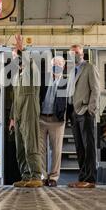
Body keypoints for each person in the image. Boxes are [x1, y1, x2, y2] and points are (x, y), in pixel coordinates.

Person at [10, 35, 43, 188]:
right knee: (20, 147)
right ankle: (26, 176)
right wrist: (12, 118)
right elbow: (14, 99)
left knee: (31, 144)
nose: (14, 59)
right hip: (18, 113)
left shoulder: (33, 72)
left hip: (29, 112)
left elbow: (28, 63)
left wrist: (20, 49)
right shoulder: (16, 76)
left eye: (16, 56)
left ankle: (36, 176)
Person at [67, 45, 100, 189]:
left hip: (85, 112)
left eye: (76, 52)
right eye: (71, 53)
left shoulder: (89, 67)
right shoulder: (72, 71)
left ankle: (90, 179)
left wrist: (90, 110)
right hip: (74, 113)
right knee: (79, 148)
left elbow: (96, 89)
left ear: (82, 54)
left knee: (88, 147)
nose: (73, 55)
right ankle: (82, 178)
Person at [39, 56, 67, 187]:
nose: (57, 65)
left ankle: (54, 177)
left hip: (57, 120)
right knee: (41, 150)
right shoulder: (42, 79)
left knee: (56, 150)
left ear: (64, 66)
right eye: (54, 64)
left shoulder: (67, 82)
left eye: (59, 63)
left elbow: (70, 102)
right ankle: (43, 176)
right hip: (41, 118)